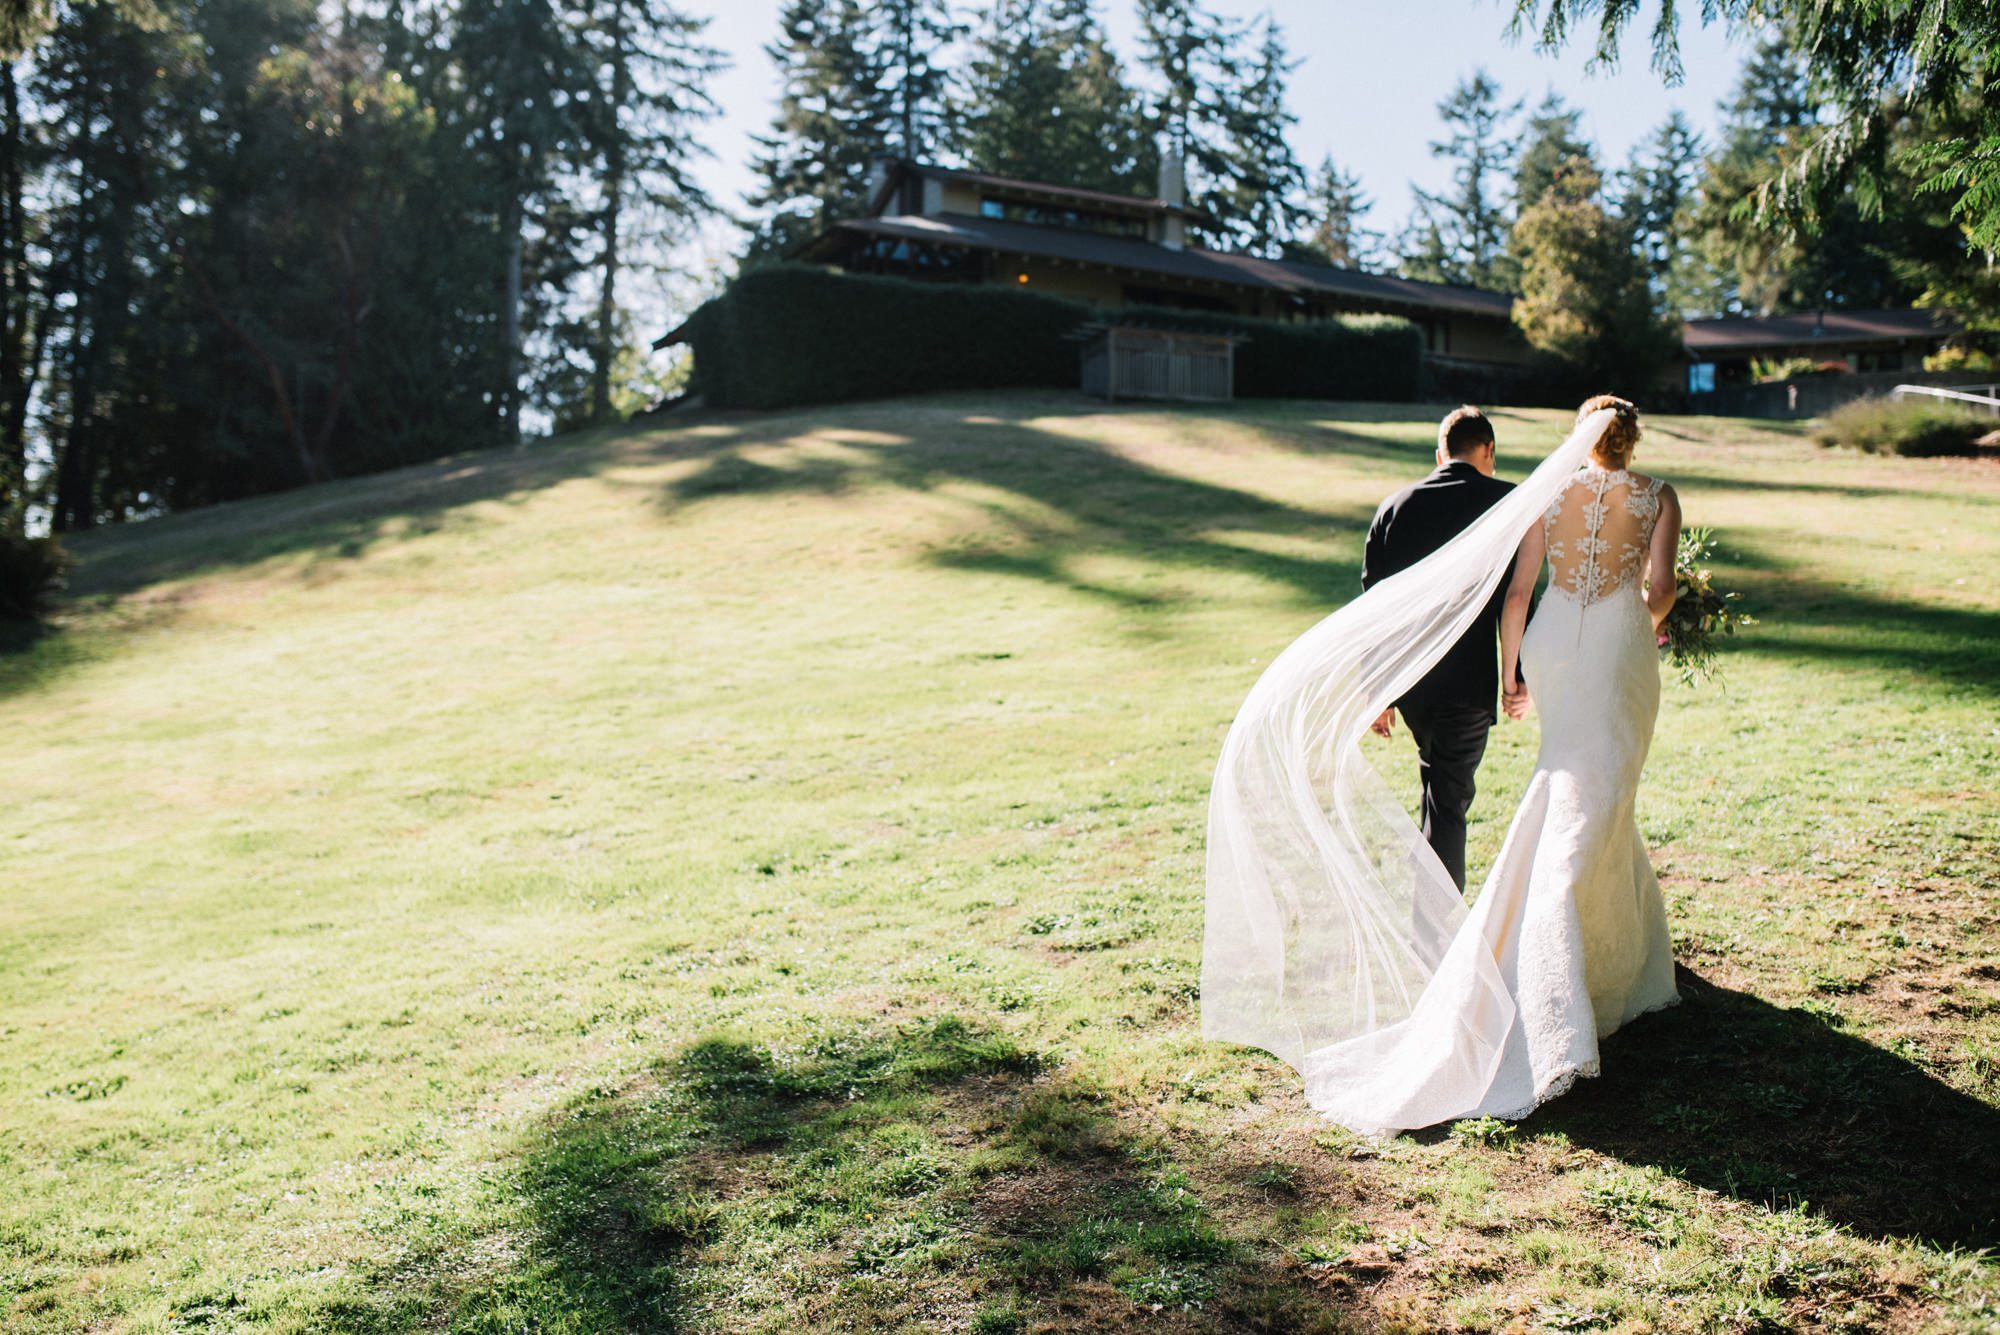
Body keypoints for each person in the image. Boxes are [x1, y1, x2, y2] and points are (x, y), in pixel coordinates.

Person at [1202, 396, 1684, 1135]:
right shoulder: (1639, 495)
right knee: (1567, 790)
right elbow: (1658, 590)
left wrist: (1476, 674)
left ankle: (1546, 927)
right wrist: (1606, 636)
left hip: (1496, 659)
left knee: (1543, 784)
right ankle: (1532, 929)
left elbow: (1473, 594)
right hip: (1564, 660)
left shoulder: (1518, 495)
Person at [1360, 406, 1518, 893]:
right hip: (1467, 684)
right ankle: (1436, 925)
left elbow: (1373, 605)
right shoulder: (1506, 503)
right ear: (1488, 449)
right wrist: (1519, 676)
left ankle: (1432, 910)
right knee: (1448, 803)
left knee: (1439, 792)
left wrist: (1377, 689)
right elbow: (1518, 596)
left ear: (1439, 455)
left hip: (1412, 682)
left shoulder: (1395, 507)